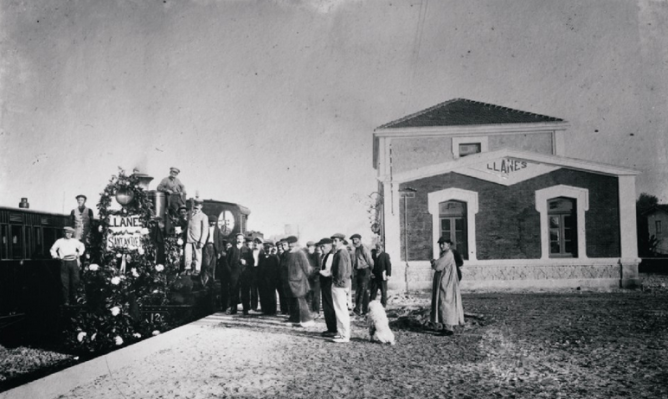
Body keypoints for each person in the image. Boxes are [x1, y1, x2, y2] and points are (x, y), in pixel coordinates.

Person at [430, 237, 465, 336]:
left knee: (446, 303)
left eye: (443, 244)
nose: (441, 246)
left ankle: (449, 328)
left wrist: (433, 262)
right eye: (440, 244)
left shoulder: (448, 254)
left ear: (448, 245)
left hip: (447, 283)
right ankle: (445, 327)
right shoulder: (445, 254)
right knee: (442, 303)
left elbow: (438, 266)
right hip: (444, 281)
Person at [50, 226, 85, 305]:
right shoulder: (59, 241)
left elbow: (82, 246)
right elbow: (52, 249)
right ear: (64, 233)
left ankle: (75, 299)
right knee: (64, 282)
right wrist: (56, 256)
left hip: (73, 262)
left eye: (71, 233)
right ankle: (66, 300)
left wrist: (79, 254)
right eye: (67, 233)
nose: (69, 234)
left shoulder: (74, 241)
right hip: (64, 262)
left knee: (75, 281)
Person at [284, 236, 314, 327]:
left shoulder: (300, 253)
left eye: (291, 243)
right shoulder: (287, 254)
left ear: (296, 243)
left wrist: (304, 278)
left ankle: (306, 320)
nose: (289, 245)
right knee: (292, 301)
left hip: (299, 282)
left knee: (300, 301)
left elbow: (306, 268)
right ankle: (295, 319)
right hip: (289, 281)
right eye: (288, 243)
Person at [330, 233, 352, 343]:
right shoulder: (340, 252)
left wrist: (338, 282)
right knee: (338, 309)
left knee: (341, 310)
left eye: (336, 241)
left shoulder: (342, 253)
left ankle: (345, 335)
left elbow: (342, 271)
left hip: (339, 285)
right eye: (333, 241)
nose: (334, 243)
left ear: (342, 241)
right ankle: (341, 333)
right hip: (339, 284)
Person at [225, 233, 253, 314]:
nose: (239, 240)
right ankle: (233, 309)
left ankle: (246, 309)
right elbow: (226, 262)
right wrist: (230, 271)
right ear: (236, 239)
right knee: (234, 290)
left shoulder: (247, 250)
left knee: (245, 290)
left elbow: (252, 261)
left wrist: (246, 262)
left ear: (243, 240)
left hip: (244, 272)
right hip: (234, 272)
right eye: (238, 238)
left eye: (241, 238)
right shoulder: (231, 249)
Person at [351, 233, 374, 316]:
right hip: (359, 271)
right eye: (353, 240)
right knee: (363, 292)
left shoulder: (364, 248)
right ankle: (365, 310)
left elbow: (370, 261)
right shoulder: (356, 250)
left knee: (361, 290)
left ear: (360, 240)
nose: (354, 241)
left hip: (365, 270)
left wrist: (370, 270)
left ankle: (357, 310)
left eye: (356, 240)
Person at [318, 238, 337, 337]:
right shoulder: (323, 256)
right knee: (326, 306)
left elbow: (328, 272)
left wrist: (317, 272)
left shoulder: (330, 256)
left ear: (330, 246)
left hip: (328, 282)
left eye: (323, 246)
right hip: (324, 283)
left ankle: (333, 329)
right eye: (321, 246)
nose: (321, 248)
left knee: (329, 305)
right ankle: (330, 328)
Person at [157, 167, 186, 231]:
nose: (174, 174)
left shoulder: (177, 180)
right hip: (170, 199)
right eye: (173, 172)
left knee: (182, 211)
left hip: (178, 198)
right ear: (170, 172)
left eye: (175, 173)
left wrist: (182, 191)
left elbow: (182, 186)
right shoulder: (165, 180)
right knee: (174, 212)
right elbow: (159, 187)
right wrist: (166, 190)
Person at [185, 200, 209, 276]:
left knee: (198, 254)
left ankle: (197, 269)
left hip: (197, 238)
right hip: (189, 238)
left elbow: (205, 230)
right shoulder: (189, 214)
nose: (196, 208)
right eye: (195, 206)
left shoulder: (204, 216)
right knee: (187, 253)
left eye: (198, 206)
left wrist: (202, 241)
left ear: (201, 207)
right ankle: (187, 268)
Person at [259, 240, 280, 315]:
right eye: (266, 248)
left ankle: (272, 310)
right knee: (264, 294)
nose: (267, 249)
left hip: (272, 279)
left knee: (271, 294)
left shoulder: (275, 257)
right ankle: (265, 310)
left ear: (272, 248)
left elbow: (277, 269)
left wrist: (276, 279)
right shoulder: (261, 257)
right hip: (263, 279)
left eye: (269, 247)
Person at [370, 242, 391, 307]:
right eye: (377, 247)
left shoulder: (385, 255)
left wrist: (388, 275)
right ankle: (371, 304)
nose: (378, 249)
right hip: (375, 276)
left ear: (382, 248)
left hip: (382, 276)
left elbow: (388, 265)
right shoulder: (373, 255)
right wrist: (371, 273)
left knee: (383, 291)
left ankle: (383, 305)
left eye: (379, 247)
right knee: (373, 291)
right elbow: (370, 265)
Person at [304, 241, 321, 317]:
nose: (310, 248)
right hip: (307, 279)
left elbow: (319, 267)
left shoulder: (317, 255)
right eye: (309, 247)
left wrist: (312, 269)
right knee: (308, 295)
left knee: (316, 296)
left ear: (314, 247)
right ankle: (308, 311)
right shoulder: (305, 256)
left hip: (315, 278)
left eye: (311, 247)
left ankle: (316, 311)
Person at [200, 219, 217, 287]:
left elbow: (219, 239)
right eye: (211, 222)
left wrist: (219, 251)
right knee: (206, 264)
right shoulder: (206, 228)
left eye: (213, 221)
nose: (212, 223)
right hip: (207, 246)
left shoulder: (217, 229)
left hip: (214, 246)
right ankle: (204, 281)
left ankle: (211, 280)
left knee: (213, 265)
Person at [250, 237, 263, 312]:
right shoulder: (251, 251)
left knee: (261, 289)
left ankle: (263, 307)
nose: (256, 244)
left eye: (258, 243)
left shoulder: (263, 252)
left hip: (260, 271)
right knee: (253, 290)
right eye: (255, 243)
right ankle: (253, 307)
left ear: (261, 244)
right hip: (253, 271)